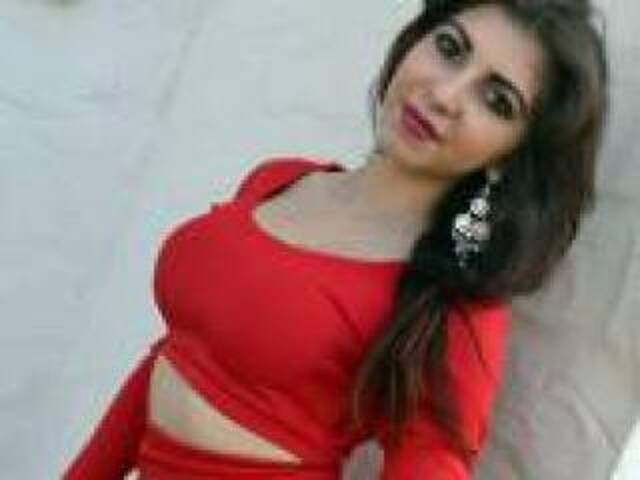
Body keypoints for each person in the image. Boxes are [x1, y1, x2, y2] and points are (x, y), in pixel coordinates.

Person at [62, 0, 608, 478]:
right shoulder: (279, 180)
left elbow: (433, 460)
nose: (445, 94)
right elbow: (175, 356)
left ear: (514, 153)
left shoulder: (452, 300)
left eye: (496, 100)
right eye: (449, 48)